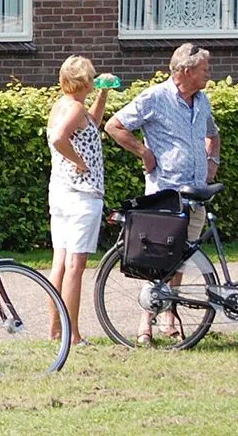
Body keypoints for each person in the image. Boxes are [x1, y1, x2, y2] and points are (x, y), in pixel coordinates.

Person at [105, 42, 220, 345]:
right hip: (165, 192)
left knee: (181, 257)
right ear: (186, 71)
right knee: (158, 257)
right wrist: (144, 153)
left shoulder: (202, 100)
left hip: (195, 194)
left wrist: (212, 164)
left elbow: (213, 135)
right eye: (205, 69)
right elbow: (114, 126)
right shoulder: (155, 97)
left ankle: (170, 313)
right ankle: (145, 321)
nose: (209, 73)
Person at [46, 56, 113, 346]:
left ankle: (55, 330)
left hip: (61, 193)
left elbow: (92, 124)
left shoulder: (64, 106)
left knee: (59, 263)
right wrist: (80, 163)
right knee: (76, 265)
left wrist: (104, 93)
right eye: (93, 79)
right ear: (84, 81)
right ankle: (73, 334)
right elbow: (61, 139)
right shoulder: (74, 108)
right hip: (81, 196)